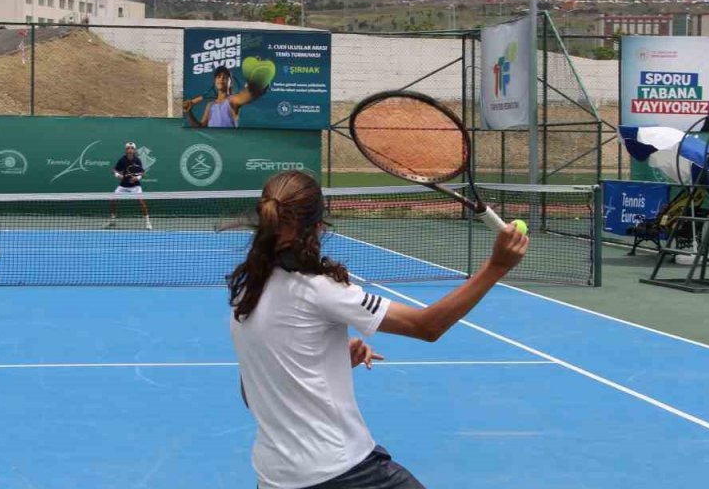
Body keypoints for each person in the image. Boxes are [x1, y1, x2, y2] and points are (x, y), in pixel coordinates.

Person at [228, 170, 529, 489]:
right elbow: (427, 326)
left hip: (275, 478)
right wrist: (497, 266)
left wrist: (329, 362)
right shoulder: (320, 291)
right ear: (317, 228)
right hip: (341, 472)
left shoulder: (245, 295)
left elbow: (255, 393)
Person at [183, 67, 263, 128]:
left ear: (230, 83)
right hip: (214, 145)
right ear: (215, 81)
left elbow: (249, 96)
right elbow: (200, 128)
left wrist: (255, 85)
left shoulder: (233, 100)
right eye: (218, 76)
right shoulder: (210, 105)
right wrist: (189, 112)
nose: (221, 79)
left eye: (225, 77)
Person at [107, 142, 152, 230]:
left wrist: (137, 178)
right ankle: (112, 220)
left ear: (134, 150)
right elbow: (113, 170)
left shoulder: (137, 160)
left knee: (141, 202)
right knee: (113, 200)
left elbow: (142, 173)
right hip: (123, 185)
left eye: (131, 148)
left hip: (135, 186)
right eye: (128, 148)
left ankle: (148, 222)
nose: (130, 149)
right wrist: (118, 175)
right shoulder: (122, 160)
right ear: (126, 150)